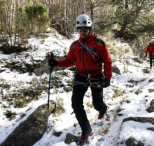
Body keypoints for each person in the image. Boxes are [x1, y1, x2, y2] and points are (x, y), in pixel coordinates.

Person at [48, 14, 112, 143]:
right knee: (76, 104)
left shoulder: (99, 44)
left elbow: (107, 61)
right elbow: (69, 61)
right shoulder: (75, 45)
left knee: (97, 103)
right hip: (80, 76)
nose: (82, 32)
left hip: (96, 76)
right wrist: (56, 63)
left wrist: (108, 78)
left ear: (90, 29)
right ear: (78, 30)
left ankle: (103, 109)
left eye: (85, 30)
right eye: (80, 30)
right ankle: (86, 129)